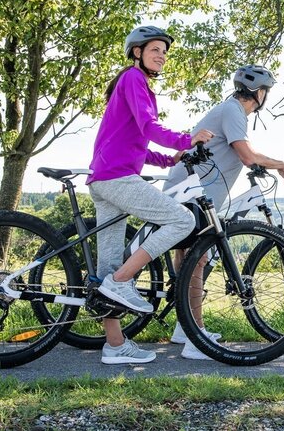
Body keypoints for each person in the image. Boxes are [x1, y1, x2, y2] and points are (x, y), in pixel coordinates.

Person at [87, 25, 214, 365]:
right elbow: (148, 127)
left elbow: (135, 143)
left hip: (106, 176)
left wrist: (168, 157)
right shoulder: (133, 79)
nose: (161, 55)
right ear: (137, 52)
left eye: (164, 51)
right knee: (182, 219)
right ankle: (122, 280)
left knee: (108, 265)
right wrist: (188, 140)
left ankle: (114, 346)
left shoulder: (132, 83)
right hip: (116, 178)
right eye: (155, 49)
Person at [163, 65, 284, 357]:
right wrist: (281, 163)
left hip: (187, 189)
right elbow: (247, 155)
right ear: (259, 93)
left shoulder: (229, 110)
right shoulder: (234, 111)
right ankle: (195, 336)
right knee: (197, 259)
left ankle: (184, 327)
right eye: (266, 92)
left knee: (191, 257)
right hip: (191, 192)